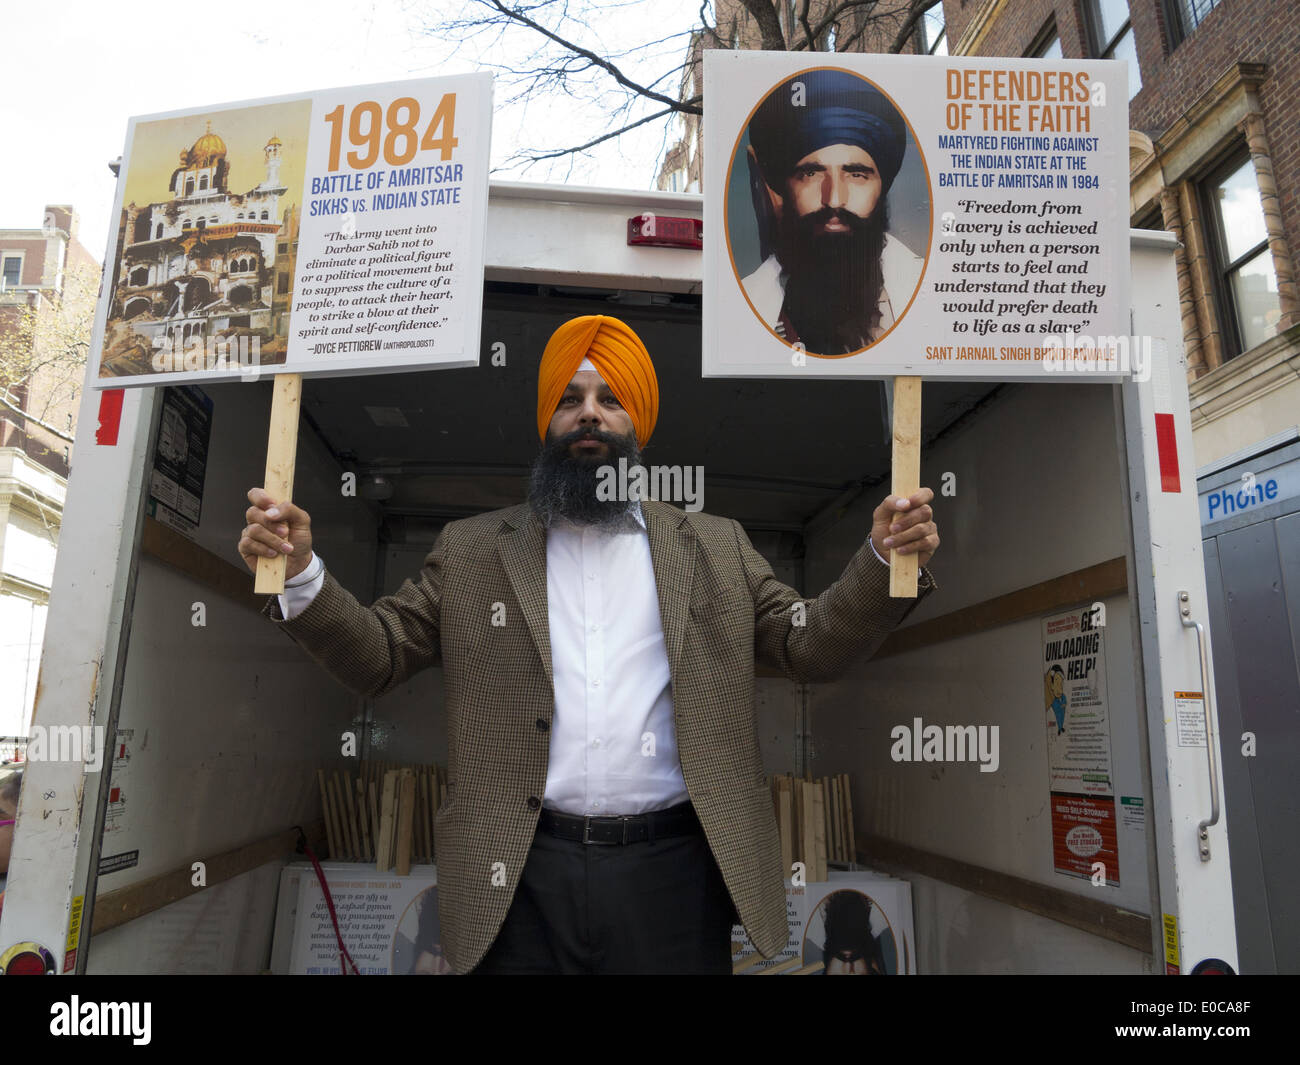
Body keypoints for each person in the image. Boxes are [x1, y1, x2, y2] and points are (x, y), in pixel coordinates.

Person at [238, 314, 941, 974]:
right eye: (571, 398)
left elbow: (808, 645)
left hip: (672, 877)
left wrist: (882, 562)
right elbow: (379, 654)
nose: (590, 414)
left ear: (639, 424)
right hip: (516, 878)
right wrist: (300, 574)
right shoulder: (474, 549)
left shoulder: (716, 548)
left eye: (611, 398)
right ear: (547, 418)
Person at [741, 69, 924, 356]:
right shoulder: (744, 307)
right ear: (781, 187)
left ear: (882, 185)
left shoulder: (929, 292)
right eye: (811, 173)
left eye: (857, 174)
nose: (835, 199)